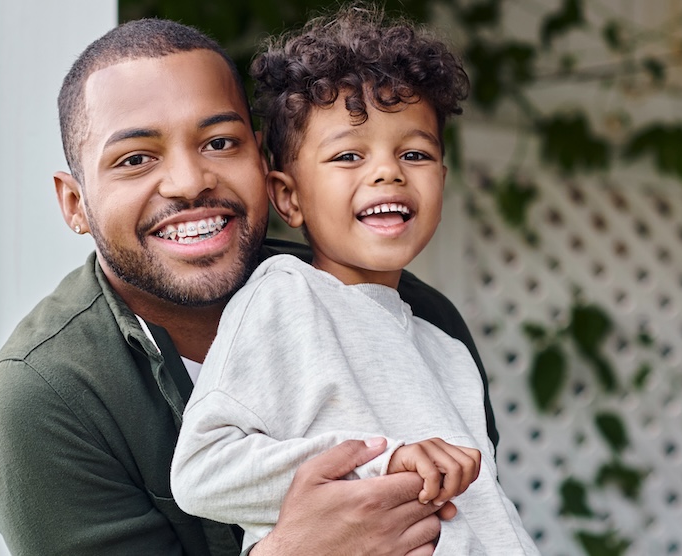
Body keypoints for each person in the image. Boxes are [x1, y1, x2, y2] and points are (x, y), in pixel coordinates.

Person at [0, 15, 498, 555]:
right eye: (135, 159)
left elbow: (485, 515)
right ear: (75, 203)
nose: (189, 181)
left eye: (219, 142)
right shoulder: (48, 394)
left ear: (265, 161)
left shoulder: (417, 317)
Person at [169, 6, 537, 554]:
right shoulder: (285, 297)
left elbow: (486, 516)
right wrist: (382, 462)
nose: (388, 171)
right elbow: (203, 470)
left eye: (414, 153)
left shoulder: (448, 352)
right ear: (289, 196)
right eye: (347, 155)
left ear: (441, 179)